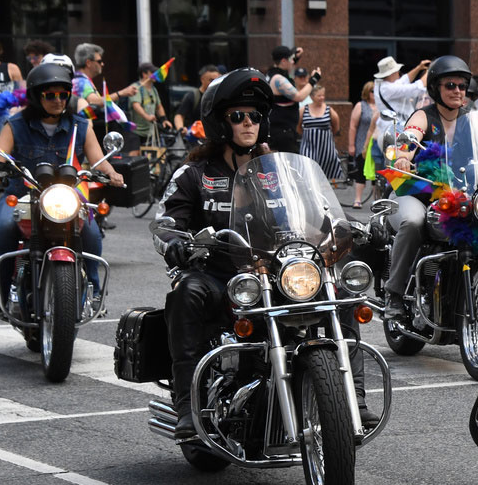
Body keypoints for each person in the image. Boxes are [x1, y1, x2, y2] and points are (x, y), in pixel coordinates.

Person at [153, 68, 379, 441]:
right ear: (219, 122)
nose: (248, 123)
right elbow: (166, 223)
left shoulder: (279, 173)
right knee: (186, 293)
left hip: (275, 275)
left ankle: (353, 397)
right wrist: (176, 242)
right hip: (219, 275)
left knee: (341, 293)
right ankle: (187, 407)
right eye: (238, 116)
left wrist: (355, 226)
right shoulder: (194, 174)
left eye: (255, 116)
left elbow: (319, 209)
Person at [0, 62, 123, 317]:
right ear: (37, 96)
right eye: (50, 95)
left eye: (63, 95)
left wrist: (112, 173)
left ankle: (94, 292)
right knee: (4, 226)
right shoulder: (16, 124)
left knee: (91, 232)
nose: (58, 100)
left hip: (67, 195)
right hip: (24, 194)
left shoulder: (81, 125)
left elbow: (99, 160)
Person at [381, 55, 474, 317]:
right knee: (413, 222)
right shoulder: (424, 116)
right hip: (418, 192)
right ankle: (394, 294)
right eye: (450, 85)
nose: (457, 91)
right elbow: (410, 136)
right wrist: (403, 155)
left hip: (458, 195)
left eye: (462, 86)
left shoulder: (471, 121)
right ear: (435, 88)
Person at [371, 55, 430, 173]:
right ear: (392, 73)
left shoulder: (382, 84)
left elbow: (404, 80)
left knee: (395, 169)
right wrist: (430, 71)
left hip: (391, 133)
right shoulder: (387, 89)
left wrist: (419, 68)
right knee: (398, 170)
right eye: (397, 71)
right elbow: (417, 88)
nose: (399, 73)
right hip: (395, 135)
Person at [265, 45, 319, 154]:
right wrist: (314, 79)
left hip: (284, 130)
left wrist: (295, 55)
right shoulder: (278, 79)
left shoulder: (273, 73)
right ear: (283, 61)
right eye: (290, 59)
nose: (293, 62)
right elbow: (299, 97)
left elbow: (289, 63)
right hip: (281, 132)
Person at [298, 83, 343, 187]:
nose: (322, 98)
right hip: (308, 146)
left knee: (325, 173)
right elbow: (298, 127)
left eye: (323, 95)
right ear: (312, 96)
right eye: (319, 95)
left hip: (325, 148)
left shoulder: (329, 110)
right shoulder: (303, 110)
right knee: (308, 169)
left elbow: (336, 127)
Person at [72, 43, 137, 113]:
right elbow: (95, 102)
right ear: (88, 63)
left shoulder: (81, 79)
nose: (102, 64)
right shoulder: (81, 81)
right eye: (99, 61)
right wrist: (122, 93)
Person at [347, 81, 377, 209]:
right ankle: (357, 199)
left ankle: (377, 200)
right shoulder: (361, 106)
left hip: (377, 143)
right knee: (360, 171)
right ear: (367, 92)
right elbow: (353, 126)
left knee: (378, 173)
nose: (375, 94)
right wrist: (351, 145)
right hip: (362, 143)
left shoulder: (382, 106)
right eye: (372, 91)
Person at [127, 62, 167, 155]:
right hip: (136, 130)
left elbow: (159, 106)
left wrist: (164, 119)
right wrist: (147, 117)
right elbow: (136, 105)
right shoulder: (136, 88)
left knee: (149, 156)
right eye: (152, 72)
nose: (155, 74)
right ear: (144, 74)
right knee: (135, 154)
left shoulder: (153, 89)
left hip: (149, 131)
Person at [173, 65, 220, 131]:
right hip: (196, 135)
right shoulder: (193, 96)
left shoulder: (220, 96)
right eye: (211, 80)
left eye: (217, 80)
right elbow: (179, 115)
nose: (214, 83)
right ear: (202, 79)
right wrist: (181, 129)